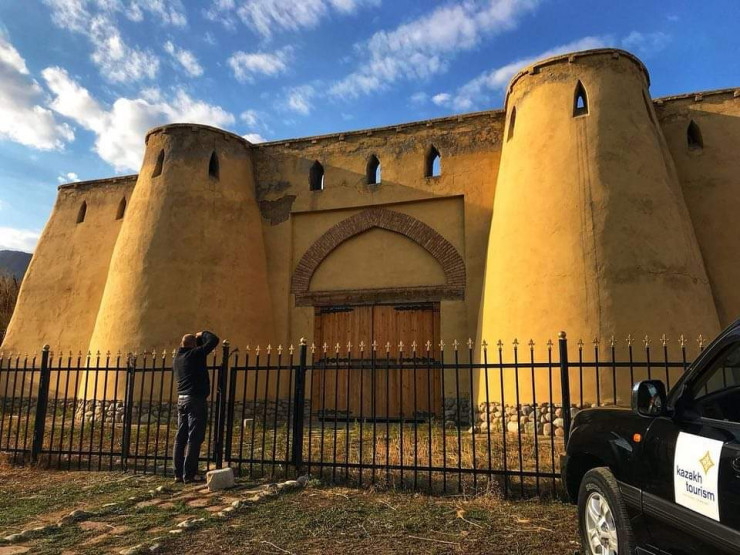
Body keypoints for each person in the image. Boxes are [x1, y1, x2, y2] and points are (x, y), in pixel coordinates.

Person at [172, 330, 219, 483]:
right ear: (193, 345)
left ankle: (178, 473)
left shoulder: (177, 359)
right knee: (195, 437)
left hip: (181, 399)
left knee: (180, 438)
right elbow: (214, 340)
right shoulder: (194, 355)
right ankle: (190, 474)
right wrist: (202, 333)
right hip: (195, 400)